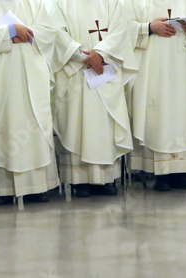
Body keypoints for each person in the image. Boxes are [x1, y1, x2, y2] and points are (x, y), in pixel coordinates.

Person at [0, 0, 78, 205]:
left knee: (32, 125)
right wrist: (8, 32)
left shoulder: (35, 3)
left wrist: (26, 32)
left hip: (30, 75)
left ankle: (36, 187)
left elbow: (49, 32)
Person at [51, 0, 137, 197]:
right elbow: (57, 32)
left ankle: (106, 178)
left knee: (104, 123)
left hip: (104, 71)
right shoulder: (60, 3)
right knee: (77, 122)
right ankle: (78, 179)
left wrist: (101, 54)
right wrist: (83, 56)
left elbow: (120, 30)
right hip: (75, 71)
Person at [124, 0, 186, 191]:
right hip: (153, 63)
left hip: (184, 65)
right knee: (158, 113)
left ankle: (185, 170)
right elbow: (123, 27)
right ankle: (159, 171)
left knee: (184, 112)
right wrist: (148, 27)